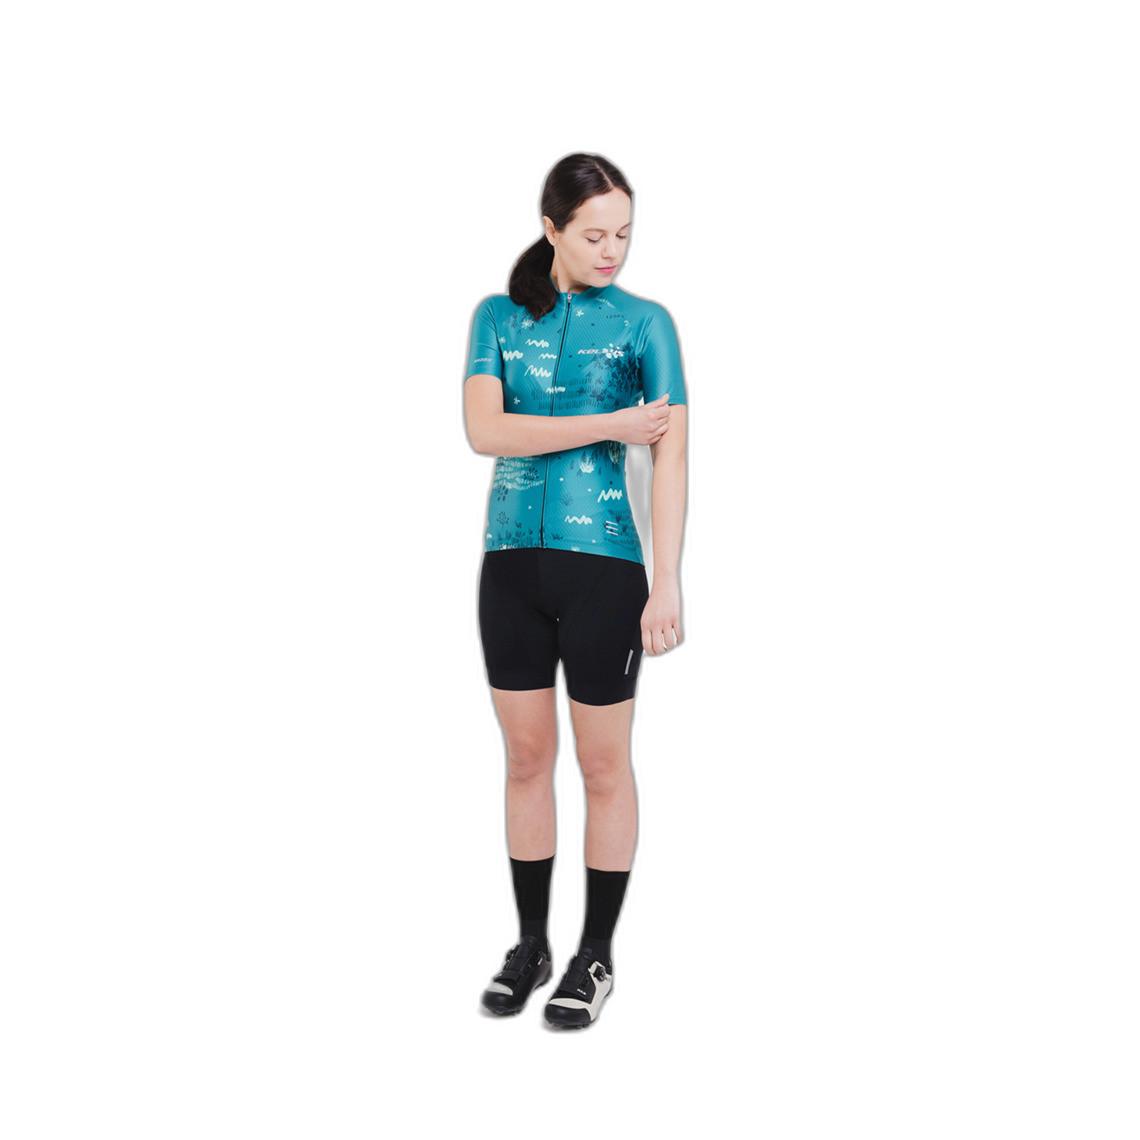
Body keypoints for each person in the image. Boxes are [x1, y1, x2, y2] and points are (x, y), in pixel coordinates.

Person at [463, 153, 688, 1028]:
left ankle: (594, 955)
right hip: (511, 567)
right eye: (593, 234)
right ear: (550, 227)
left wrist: (667, 581)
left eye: (623, 234)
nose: (611, 251)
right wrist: (613, 423)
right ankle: (531, 944)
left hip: (606, 571)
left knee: (602, 764)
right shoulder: (497, 317)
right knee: (525, 760)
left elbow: (672, 462)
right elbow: (485, 431)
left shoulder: (646, 325)